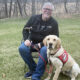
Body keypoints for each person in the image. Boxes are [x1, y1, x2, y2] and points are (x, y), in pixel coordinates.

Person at [19, 2, 59, 80]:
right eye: (45, 9)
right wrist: (26, 39)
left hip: (45, 45)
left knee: (44, 50)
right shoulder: (33, 18)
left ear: (52, 12)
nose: (47, 11)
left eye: (49, 10)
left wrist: (41, 44)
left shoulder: (54, 23)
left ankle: (36, 75)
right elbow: (25, 30)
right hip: (31, 42)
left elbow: (56, 38)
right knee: (22, 48)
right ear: (42, 9)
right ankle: (34, 68)